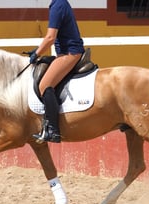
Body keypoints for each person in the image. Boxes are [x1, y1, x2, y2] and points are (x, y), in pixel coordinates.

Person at [30, 0, 85, 143]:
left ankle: (52, 130)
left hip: (70, 53)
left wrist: (36, 53)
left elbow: (50, 37)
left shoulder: (58, 5)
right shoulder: (59, 4)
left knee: (44, 86)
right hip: (65, 53)